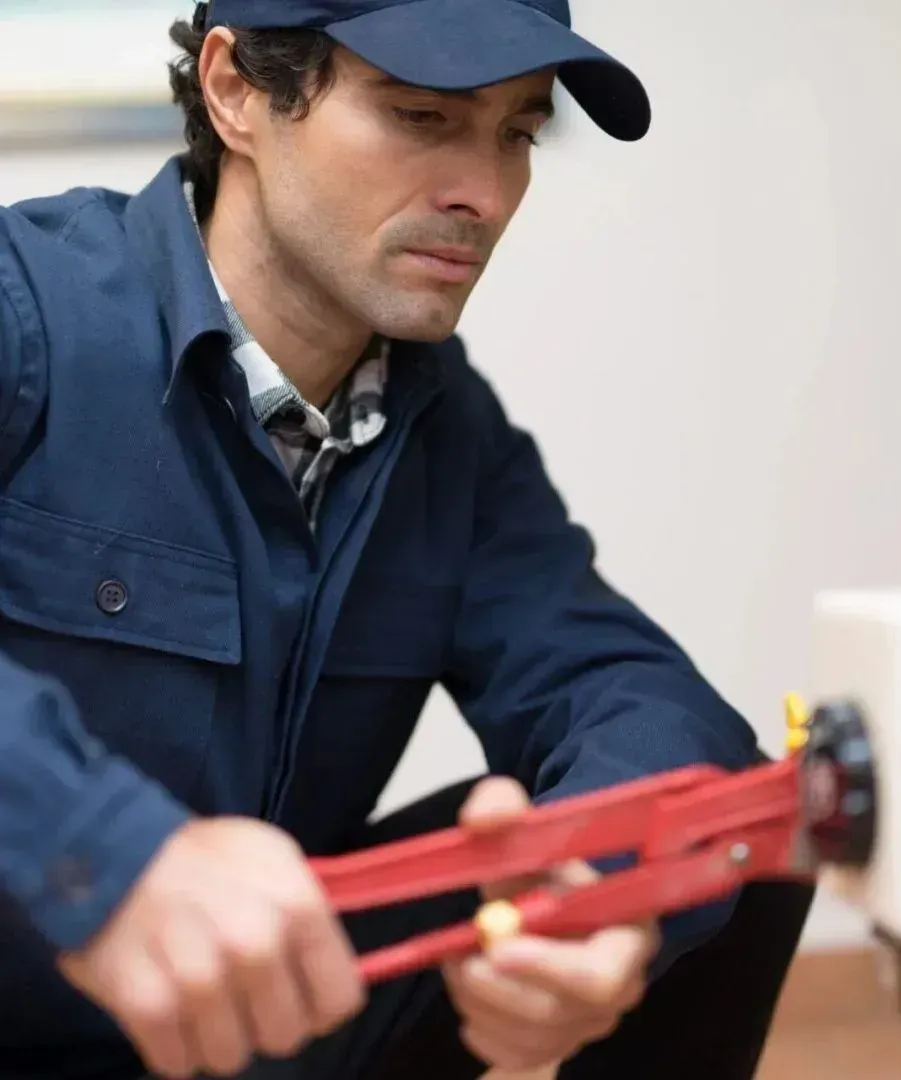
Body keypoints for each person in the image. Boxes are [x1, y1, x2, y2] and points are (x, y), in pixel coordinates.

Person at [0, 1, 814, 1077]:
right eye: (424, 116)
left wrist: (592, 897)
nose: (482, 193)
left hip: (269, 1025)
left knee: (717, 835)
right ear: (237, 89)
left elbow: (633, 692)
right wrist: (104, 853)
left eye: (516, 132)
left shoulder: (444, 430)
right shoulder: (29, 310)